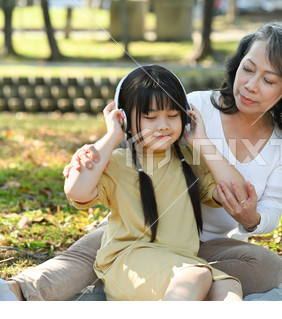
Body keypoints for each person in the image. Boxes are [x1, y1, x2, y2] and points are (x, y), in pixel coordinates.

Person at [1, 22, 282, 301]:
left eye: (269, 80)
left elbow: (270, 212)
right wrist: (94, 152)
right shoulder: (193, 107)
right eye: (248, 69)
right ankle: (19, 291)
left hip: (202, 247)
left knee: (268, 268)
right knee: (95, 253)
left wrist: (251, 219)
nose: (251, 85)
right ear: (238, 64)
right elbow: (133, 146)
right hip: (141, 223)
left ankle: (162, 281)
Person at [70, 64, 245, 300]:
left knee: (229, 290)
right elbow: (77, 192)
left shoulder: (190, 161)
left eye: (172, 115)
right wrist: (112, 136)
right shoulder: (117, 162)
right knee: (196, 277)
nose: (163, 125)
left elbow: (239, 194)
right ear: (124, 120)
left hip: (183, 264)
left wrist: (201, 141)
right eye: (150, 117)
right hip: (129, 262)